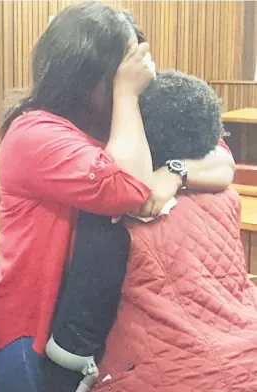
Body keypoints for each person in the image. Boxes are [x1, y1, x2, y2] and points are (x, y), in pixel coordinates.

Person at [0, 3, 234, 391]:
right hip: (27, 332)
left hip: (85, 334)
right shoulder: (33, 134)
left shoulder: (118, 126)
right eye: (126, 66)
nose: (139, 75)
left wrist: (175, 172)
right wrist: (127, 96)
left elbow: (222, 160)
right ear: (90, 73)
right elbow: (129, 190)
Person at [45, 70, 235, 392]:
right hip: (241, 355)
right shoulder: (225, 197)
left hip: (161, 375)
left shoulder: (115, 211)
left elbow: (77, 337)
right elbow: (223, 159)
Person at [89, 71, 257, 391]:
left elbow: (85, 321)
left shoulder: (121, 214)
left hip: (169, 376)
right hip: (246, 356)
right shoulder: (226, 197)